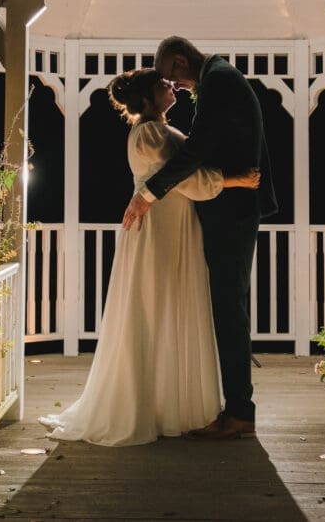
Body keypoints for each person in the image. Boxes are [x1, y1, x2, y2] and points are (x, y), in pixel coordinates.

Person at [38, 68, 260, 446]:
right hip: (159, 229)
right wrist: (235, 180)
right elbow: (182, 178)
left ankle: (165, 402)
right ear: (146, 97)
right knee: (156, 305)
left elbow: (184, 169)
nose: (170, 86)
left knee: (167, 306)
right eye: (161, 85)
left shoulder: (156, 130)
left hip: (171, 225)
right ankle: (153, 404)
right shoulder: (150, 132)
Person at [122, 36, 278, 440]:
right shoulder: (219, 78)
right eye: (164, 83)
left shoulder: (219, 81)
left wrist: (147, 194)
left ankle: (240, 412)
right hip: (227, 206)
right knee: (227, 305)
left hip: (232, 209)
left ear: (178, 62)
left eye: (171, 78)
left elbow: (197, 153)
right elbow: (196, 154)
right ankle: (235, 408)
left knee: (229, 307)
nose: (176, 87)